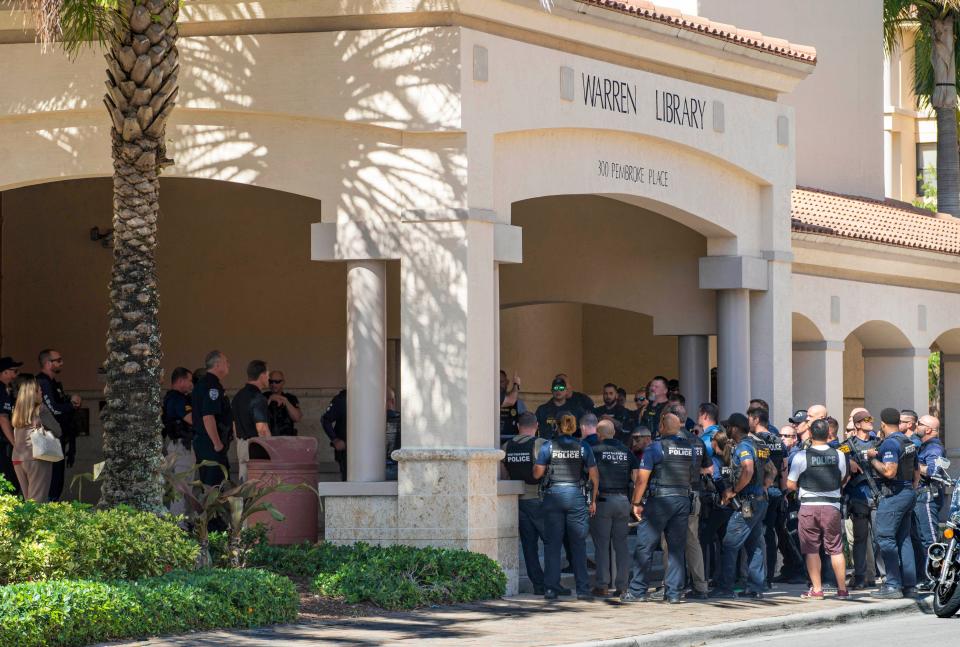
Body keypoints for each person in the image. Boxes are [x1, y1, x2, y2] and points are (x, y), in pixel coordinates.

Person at [621, 412, 694, 604]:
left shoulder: (655, 447)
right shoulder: (689, 448)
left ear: (662, 425)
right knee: (677, 549)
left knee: (645, 546)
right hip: (682, 500)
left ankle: (637, 591)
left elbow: (641, 479)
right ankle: (674, 593)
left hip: (660, 501)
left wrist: (636, 503)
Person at [532, 413, 599, 600]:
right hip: (576, 497)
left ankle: (551, 589)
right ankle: (583, 590)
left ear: (558, 427)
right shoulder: (583, 446)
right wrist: (593, 500)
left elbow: (537, 474)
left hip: (553, 496)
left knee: (552, 545)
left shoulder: (549, 446)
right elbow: (594, 475)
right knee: (578, 544)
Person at [786, 419, 849, 600]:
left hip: (808, 507)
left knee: (811, 549)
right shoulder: (839, 455)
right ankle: (842, 590)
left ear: (811, 434)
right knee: (836, 548)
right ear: (829, 433)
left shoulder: (801, 456)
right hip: (832, 506)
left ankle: (817, 589)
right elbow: (842, 477)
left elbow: (790, 484)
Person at [709, 413, 769, 600]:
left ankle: (725, 588)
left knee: (729, 544)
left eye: (728, 427)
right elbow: (772, 470)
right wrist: (763, 488)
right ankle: (755, 587)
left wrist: (734, 490)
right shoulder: (758, 444)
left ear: (734, 428)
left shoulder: (743, 446)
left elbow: (748, 469)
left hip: (748, 501)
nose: (726, 430)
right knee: (755, 544)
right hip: (759, 500)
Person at [868, 407, 919, 599]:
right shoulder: (908, 441)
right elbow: (916, 473)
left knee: (886, 539)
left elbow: (889, 472)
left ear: (882, 424)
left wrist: (872, 458)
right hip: (907, 492)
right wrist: (910, 489)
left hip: (894, 494)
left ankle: (892, 585)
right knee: (903, 539)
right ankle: (909, 586)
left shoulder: (889, 444)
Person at [590, 418, 639, 597]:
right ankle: (623, 586)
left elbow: (589, 475)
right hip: (622, 501)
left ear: (599, 434)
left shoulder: (594, 451)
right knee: (622, 545)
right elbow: (635, 477)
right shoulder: (626, 451)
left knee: (601, 545)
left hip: (603, 501)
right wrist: (634, 502)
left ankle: (602, 585)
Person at [667, 402, 712, 599]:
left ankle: (671, 586)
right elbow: (709, 469)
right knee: (692, 541)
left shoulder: (667, 441)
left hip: (672, 495)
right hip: (694, 495)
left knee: (669, 542)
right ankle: (700, 586)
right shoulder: (697, 441)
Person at [501, 411, 547, 595]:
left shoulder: (506, 446)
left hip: (517, 502)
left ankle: (538, 585)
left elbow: (504, 476)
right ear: (536, 426)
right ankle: (551, 583)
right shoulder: (540, 444)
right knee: (551, 541)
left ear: (518, 426)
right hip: (537, 500)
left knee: (529, 546)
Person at [842, 410, 882, 589]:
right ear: (857, 425)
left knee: (882, 538)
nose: (869, 422)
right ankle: (860, 576)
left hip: (878, 495)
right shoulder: (847, 445)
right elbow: (835, 453)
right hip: (858, 498)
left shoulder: (878, 443)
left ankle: (887, 576)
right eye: (865, 420)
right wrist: (847, 460)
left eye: (870, 419)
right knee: (860, 539)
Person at [36, 349, 80, 501]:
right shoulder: (42, 382)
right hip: (49, 437)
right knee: (52, 481)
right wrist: (71, 406)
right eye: (58, 360)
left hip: (57, 436)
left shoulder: (52, 383)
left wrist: (71, 400)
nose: (62, 363)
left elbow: (58, 402)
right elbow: (52, 408)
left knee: (57, 479)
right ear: (48, 363)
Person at [748, 404, 784, 588]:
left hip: (761, 491)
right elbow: (782, 468)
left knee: (758, 534)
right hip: (777, 491)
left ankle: (758, 579)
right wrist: (784, 492)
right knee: (770, 535)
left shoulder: (754, 441)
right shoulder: (777, 440)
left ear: (756, 420)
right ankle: (768, 577)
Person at [11, 376, 56, 502]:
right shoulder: (41, 409)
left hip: (17, 458)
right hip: (36, 456)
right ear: (33, 393)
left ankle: (25, 522)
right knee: (37, 502)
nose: (42, 392)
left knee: (28, 502)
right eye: (39, 390)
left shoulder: (17, 411)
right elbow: (58, 430)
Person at [192, 351, 233, 487]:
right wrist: (217, 444)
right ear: (217, 365)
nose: (229, 364)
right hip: (211, 446)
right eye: (226, 361)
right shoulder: (212, 386)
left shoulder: (205, 383)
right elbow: (208, 417)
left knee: (212, 486)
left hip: (205, 444)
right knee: (214, 488)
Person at [913, 415, 944, 591]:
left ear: (929, 430)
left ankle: (936, 578)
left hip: (927, 497)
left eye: (920, 424)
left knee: (930, 540)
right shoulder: (924, 446)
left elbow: (934, 471)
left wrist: (914, 465)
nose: (917, 426)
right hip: (921, 496)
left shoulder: (934, 448)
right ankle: (928, 577)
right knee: (922, 538)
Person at [162, 367, 194, 514]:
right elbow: (191, 419)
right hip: (181, 447)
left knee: (178, 487)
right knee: (182, 487)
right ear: (181, 381)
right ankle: (179, 526)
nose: (191, 384)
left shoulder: (170, 397)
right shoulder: (178, 398)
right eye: (189, 380)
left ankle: (179, 523)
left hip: (175, 446)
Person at [232, 360, 271, 482]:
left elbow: (234, 425)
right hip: (256, 448)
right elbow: (262, 429)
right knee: (259, 489)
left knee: (244, 487)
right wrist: (272, 449)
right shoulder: (258, 398)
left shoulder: (238, 396)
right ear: (262, 375)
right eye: (267, 373)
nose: (269, 376)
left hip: (241, 445)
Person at [0, 357, 22, 496]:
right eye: (14, 371)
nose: (16, 375)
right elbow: (2, 418)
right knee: (10, 483)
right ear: (4, 372)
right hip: (2, 444)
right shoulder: (1, 389)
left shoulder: (6, 389)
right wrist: (15, 443)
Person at [265, 370, 302, 437]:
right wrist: (269, 400)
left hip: (287, 439)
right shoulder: (263, 397)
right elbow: (256, 416)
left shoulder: (290, 398)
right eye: (271, 381)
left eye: (277, 382)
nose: (274, 384)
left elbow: (297, 418)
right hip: (268, 439)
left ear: (283, 382)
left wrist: (285, 401)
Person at [321, 389, 347, 481]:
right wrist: (335, 439)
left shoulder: (371, 397)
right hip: (345, 450)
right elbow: (325, 420)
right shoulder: (342, 399)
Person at [499, 371, 526, 443]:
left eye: (501, 382)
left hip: (512, 443)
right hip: (491, 443)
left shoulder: (518, 403)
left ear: (507, 382)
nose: (499, 385)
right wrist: (516, 384)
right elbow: (511, 400)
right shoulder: (490, 398)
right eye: (496, 382)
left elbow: (524, 424)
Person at [385, 388, 401, 481]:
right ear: (393, 401)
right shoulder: (403, 421)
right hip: (398, 469)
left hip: (373, 470)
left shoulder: (369, 423)